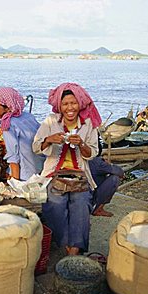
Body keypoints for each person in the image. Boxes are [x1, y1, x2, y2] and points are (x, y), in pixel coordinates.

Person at [33, 82, 100, 256]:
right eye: (65, 104)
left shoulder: (88, 124)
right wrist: (49, 139)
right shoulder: (50, 121)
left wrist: (82, 144)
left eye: (73, 103)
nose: (70, 108)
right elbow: (35, 146)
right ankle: (64, 244)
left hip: (79, 176)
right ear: (60, 107)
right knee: (55, 204)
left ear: (80, 104)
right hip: (54, 174)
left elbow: (92, 152)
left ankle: (74, 249)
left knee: (82, 203)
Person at [0, 87, 44, 180]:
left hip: (25, 175)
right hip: (41, 169)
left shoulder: (8, 124)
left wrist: (16, 183)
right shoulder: (28, 116)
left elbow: (13, 156)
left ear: (7, 108)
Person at [89, 140, 124, 217]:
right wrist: (109, 164)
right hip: (91, 195)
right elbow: (120, 172)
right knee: (115, 179)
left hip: (85, 193)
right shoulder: (97, 162)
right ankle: (98, 208)